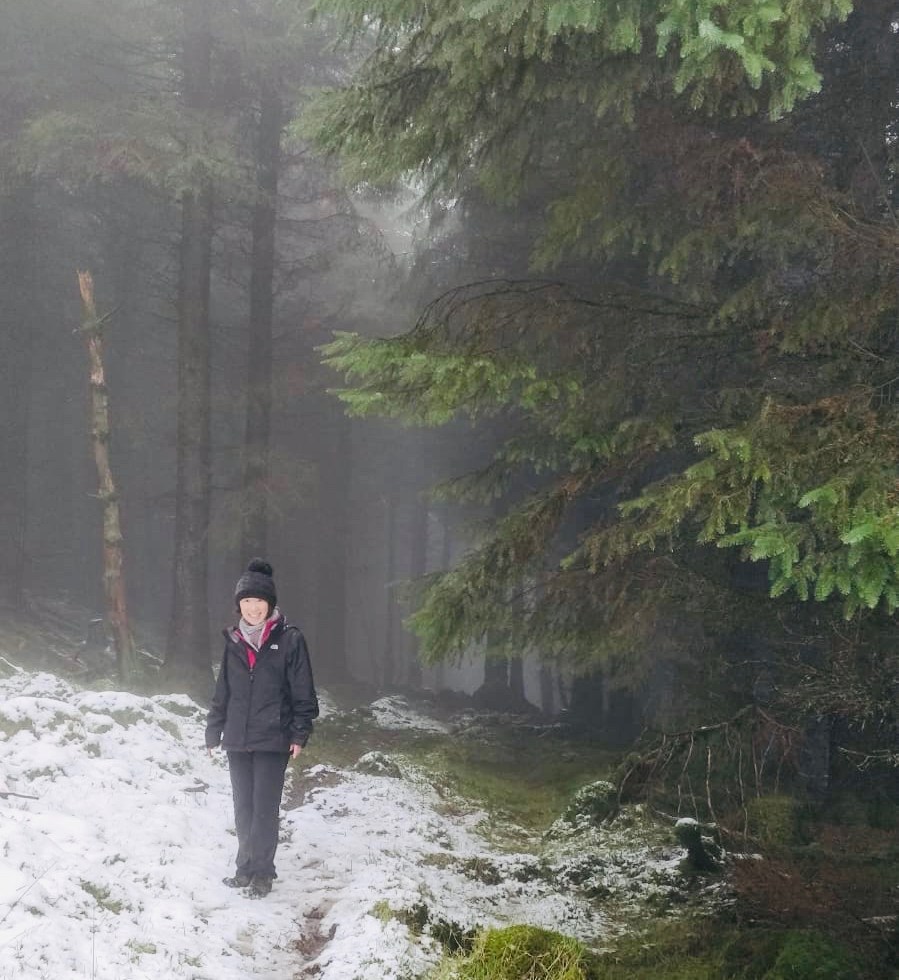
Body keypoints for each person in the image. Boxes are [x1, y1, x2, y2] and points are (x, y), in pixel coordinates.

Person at [205, 558, 318, 897]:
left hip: (273, 738)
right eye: (246, 601)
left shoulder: (290, 639)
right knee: (243, 808)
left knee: (264, 808)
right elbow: (223, 689)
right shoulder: (234, 640)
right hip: (237, 738)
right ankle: (244, 868)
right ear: (239, 605)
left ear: (269, 604)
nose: (253, 608)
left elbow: (303, 691)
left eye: (259, 601)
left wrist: (299, 732)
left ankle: (263, 873)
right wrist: (214, 729)